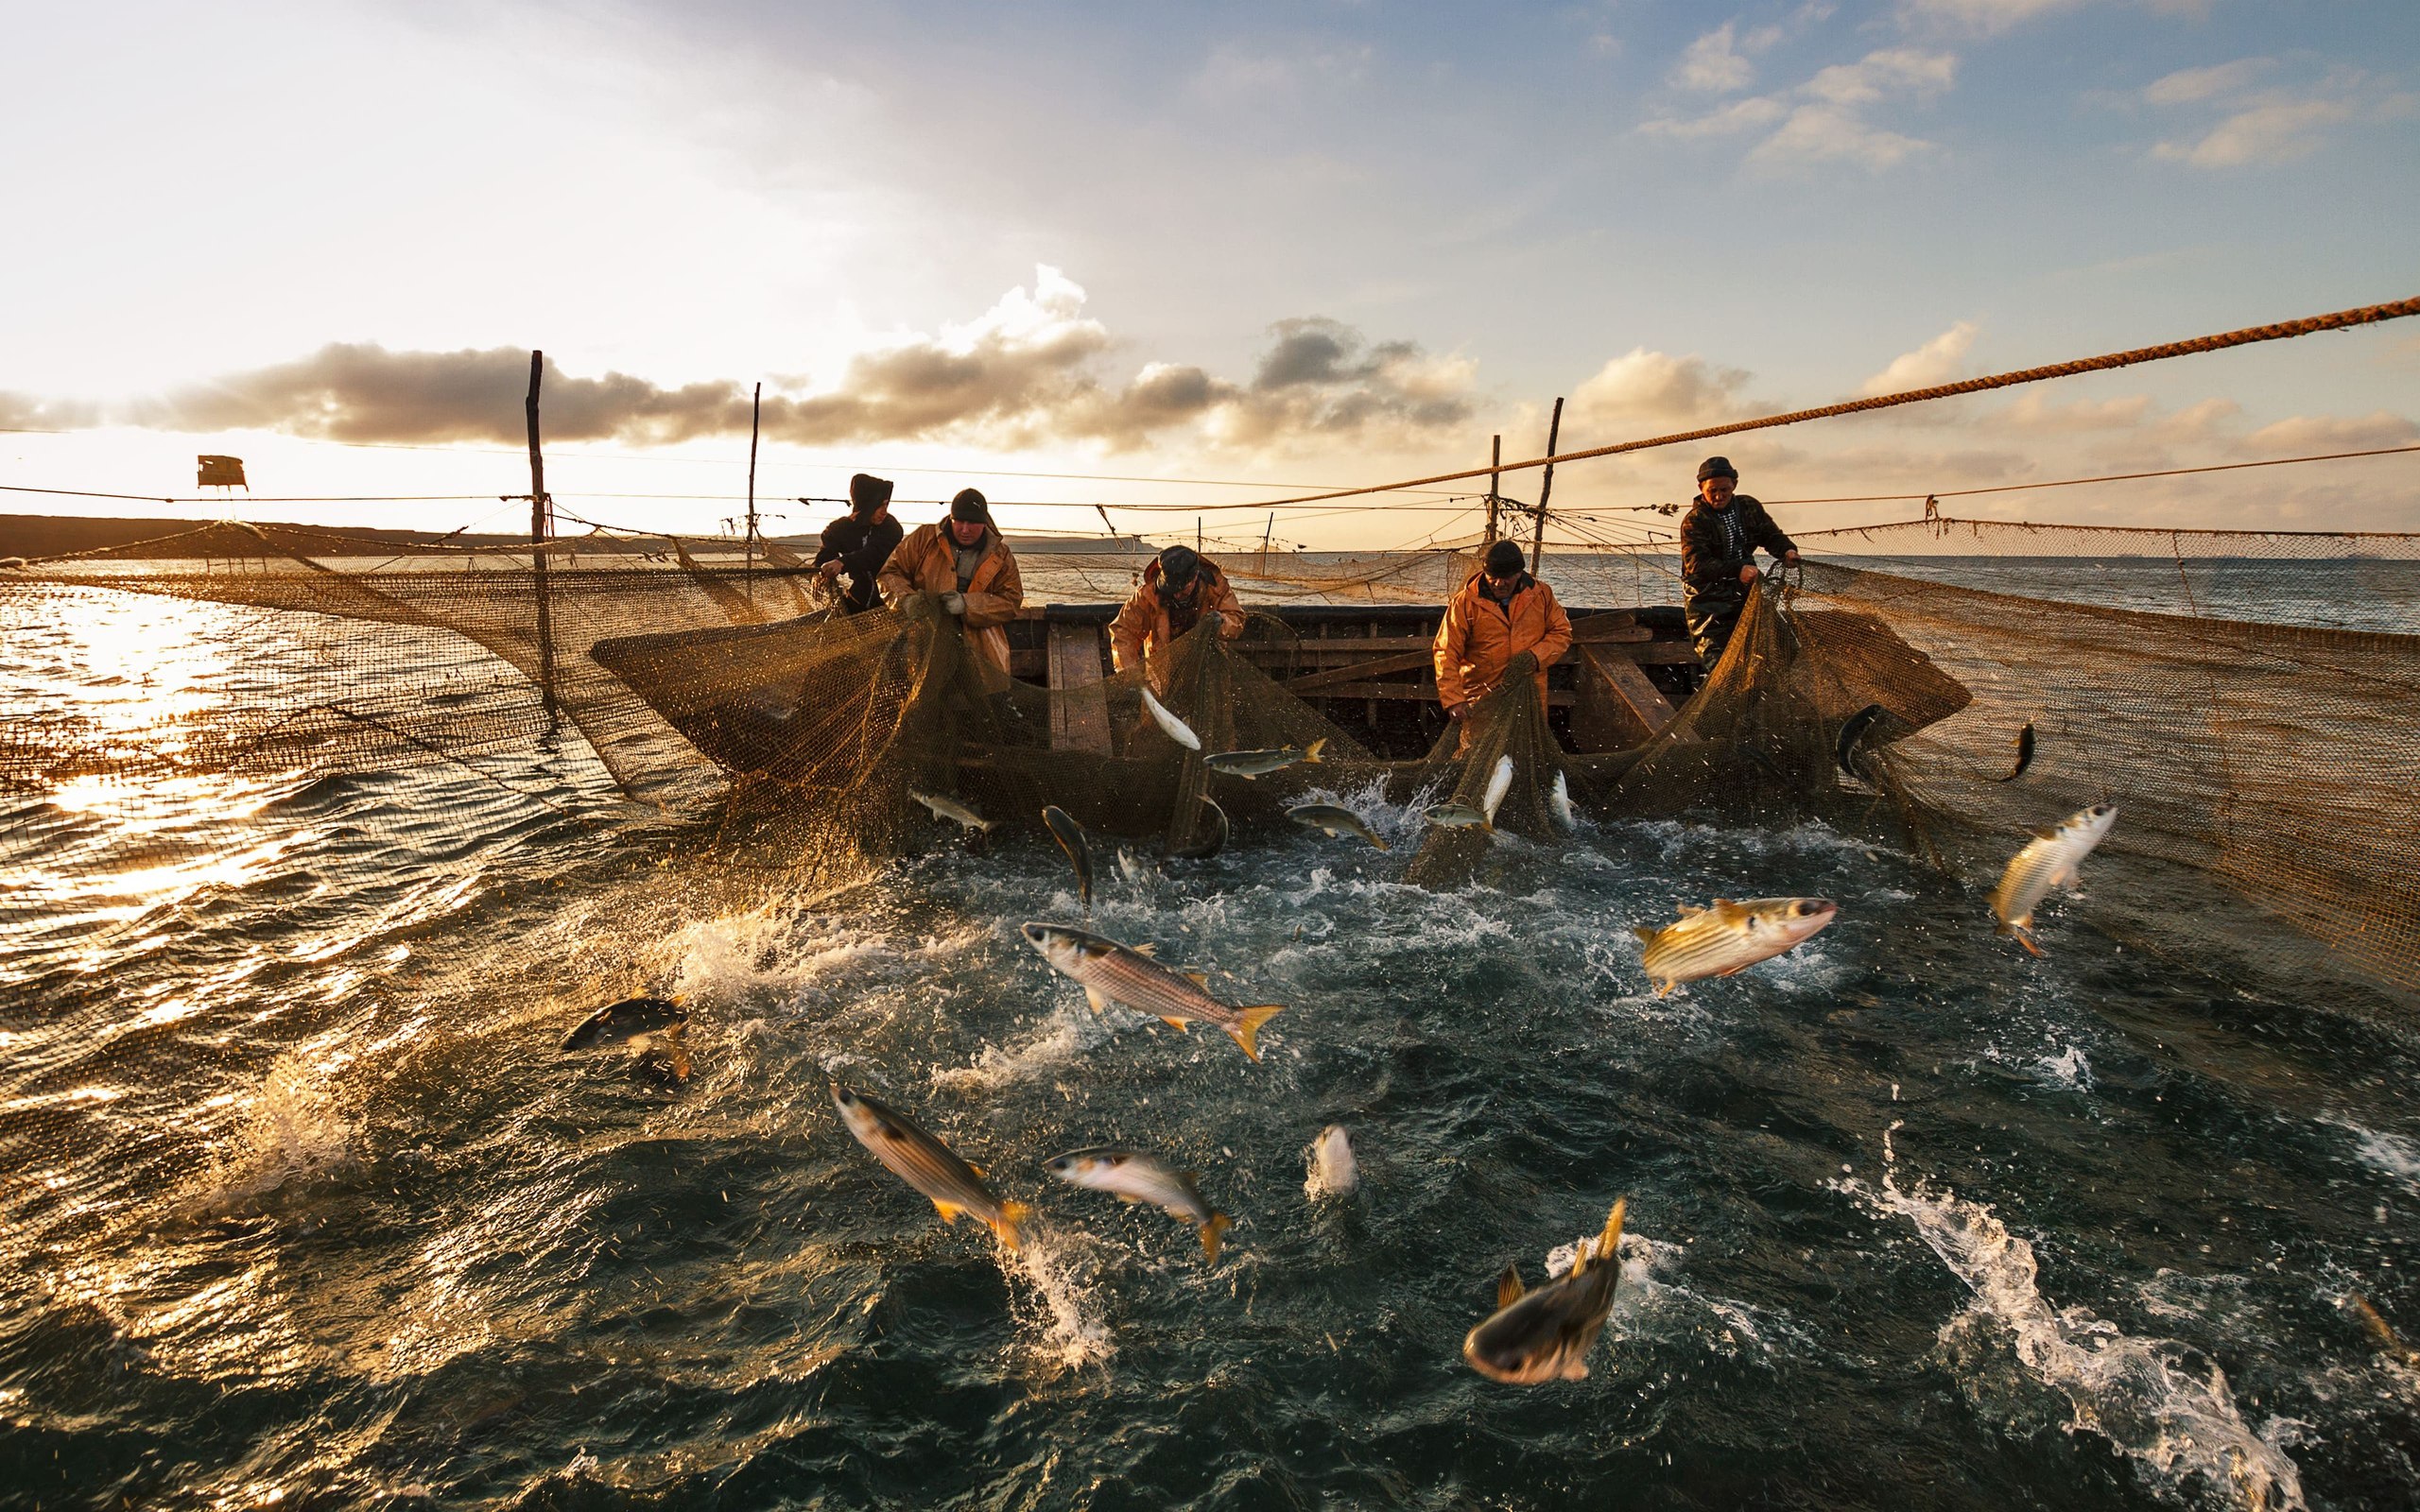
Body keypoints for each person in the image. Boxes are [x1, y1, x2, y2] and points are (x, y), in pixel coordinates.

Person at [876, 488, 1025, 680]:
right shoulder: (924, 538)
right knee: (924, 697)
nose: (965, 529)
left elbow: (1011, 602)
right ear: (951, 518)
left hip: (982, 652)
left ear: (984, 523)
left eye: (972, 523)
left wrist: (967, 605)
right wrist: (906, 600)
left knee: (989, 703)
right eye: (959, 521)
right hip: (926, 645)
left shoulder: (1001, 555)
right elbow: (889, 573)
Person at [1433, 539, 1573, 723]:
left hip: (1529, 697)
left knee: (1524, 748)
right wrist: (1454, 700)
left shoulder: (1542, 594)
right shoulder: (1464, 603)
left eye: (1506, 577)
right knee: (1479, 748)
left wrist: (1535, 657)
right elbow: (1446, 651)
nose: (1499, 584)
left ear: (1519, 574)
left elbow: (1561, 632)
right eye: (1493, 577)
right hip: (1481, 699)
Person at [1679, 455, 1799, 668]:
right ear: (1701, 487)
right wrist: (1738, 569)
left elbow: (1770, 535)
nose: (1718, 496)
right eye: (1712, 491)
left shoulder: (1748, 507)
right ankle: (1728, 696)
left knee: (1785, 645)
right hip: (1707, 599)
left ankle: (1763, 691)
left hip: (1746, 592)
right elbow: (1696, 564)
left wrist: (1787, 551)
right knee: (1719, 663)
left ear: (1734, 484)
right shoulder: (1694, 521)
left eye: (1724, 490)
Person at [1109, 543, 1245, 686]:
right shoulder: (1148, 594)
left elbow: (1237, 619)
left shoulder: (1217, 587)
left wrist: (1220, 623)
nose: (1176, 594)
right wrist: (1130, 673)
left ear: (1195, 577)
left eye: (1182, 589)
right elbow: (1123, 631)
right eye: (1171, 588)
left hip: (1207, 673)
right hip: (1162, 677)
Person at [812, 472, 904, 613]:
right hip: (859, 598)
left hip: (893, 599)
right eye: (880, 506)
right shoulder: (838, 529)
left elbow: (873, 554)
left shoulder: (890, 527)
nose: (884, 512)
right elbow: (826, 555)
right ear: (867, 505)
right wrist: (818, 574)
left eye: (886, 505)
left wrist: (842, 562)